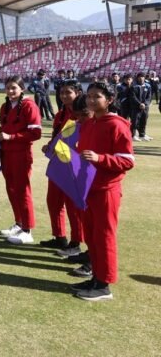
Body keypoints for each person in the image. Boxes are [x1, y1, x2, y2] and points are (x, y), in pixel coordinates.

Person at [71, 82, 134, 301]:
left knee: (104, 236)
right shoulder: (88, 124)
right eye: (89, 96)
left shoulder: (117, 125)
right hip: (88, 188)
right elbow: (82, 154)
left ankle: (104, 285)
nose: (90, 100)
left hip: (106, 190)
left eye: (97, 96)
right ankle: (96, 277)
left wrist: (100, 158)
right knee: (91, 235)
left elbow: (127, 161)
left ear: (109, 99)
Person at [40, 80, 84, 253]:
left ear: (78, 93)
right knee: (53, 201)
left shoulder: (84, 115)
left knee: (73, 205)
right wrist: (49, 145)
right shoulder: (60, 115)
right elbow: (58, 137)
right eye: (62, 93)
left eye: (68, 92)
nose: (64, 96)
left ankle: (76, 243)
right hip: (58, 163)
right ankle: (60, 237)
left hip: (74, 166)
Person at [0, 75, 42, 244]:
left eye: (14, 88)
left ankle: (27, 230)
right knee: (11, 189)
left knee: (23, 191)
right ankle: (19, 223)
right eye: (8, 87)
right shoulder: (5, 106)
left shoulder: (30, 106)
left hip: (21, 154)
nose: (10, 91)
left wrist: (11, 137)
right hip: (6, 153)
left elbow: (36, 133)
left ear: (22, 89)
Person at [133, 72, 152, 141]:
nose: (141, 78)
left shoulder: (148, 86)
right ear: (137, 78)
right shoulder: (134, 86)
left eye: (142, 77)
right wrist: (139, 104)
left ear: (144, 78)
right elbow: (133, 97)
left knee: (143, 121)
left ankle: (142, 135)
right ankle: (133, 135)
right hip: (136, 107)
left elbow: (149, 97)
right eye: (139, 77)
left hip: (145, 107)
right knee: (135, 121)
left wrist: (145, 104)